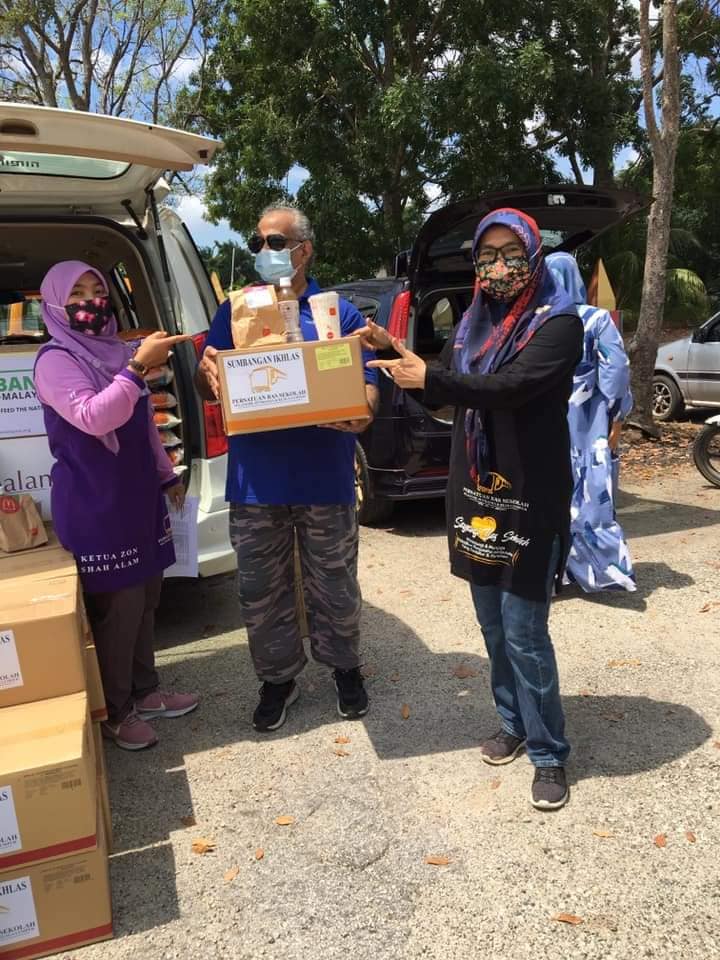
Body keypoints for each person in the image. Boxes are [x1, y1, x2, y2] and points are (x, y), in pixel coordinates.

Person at [365, 209, 582, 810]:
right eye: (486, 256)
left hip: (530, 495)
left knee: (525, 631)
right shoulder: (470, 324)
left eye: (509, 252)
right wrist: (398, 354)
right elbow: (451, 394)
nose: (496, 266)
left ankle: (549, 751)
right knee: (491, 623)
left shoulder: (559, 323)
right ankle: (513, 722)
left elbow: (510, 388)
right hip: (477, 489)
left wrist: (431, 378)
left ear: (533, 255)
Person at [195, 204, 379, 732]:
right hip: (257, 483)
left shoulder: (336, 313)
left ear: (305, 249)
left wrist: (362, 411)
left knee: (334, 585)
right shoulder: (235, 312)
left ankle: (345, 669)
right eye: (258, 243)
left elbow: (368, 388)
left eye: (276, 242)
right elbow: (208, 380)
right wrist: (208, 371)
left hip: (324, 477)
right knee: (262, 590)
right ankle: (277, 679)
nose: (265, 252)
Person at [34, 260, 199, 751]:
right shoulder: (54, 361)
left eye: (97, 289)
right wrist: (136, 368)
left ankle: (146, 691)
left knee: (147, 598)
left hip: (138, 494)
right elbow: (93, 416)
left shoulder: (116, 351)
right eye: (77, 293)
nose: (91, 301)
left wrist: (166, 473)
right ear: (55, 304)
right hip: (95, 502)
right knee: (118, 610)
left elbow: (143, 422)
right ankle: (116, 710)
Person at [546, 252, 636, 593]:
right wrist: (616, 414)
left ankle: (548, 575)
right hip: (588, 421)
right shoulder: (597, 320)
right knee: (589, 494)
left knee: (546, 496)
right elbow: (616, 372)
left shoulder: (539, 321)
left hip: (543, 421)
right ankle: (597, 571)